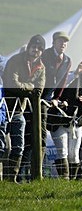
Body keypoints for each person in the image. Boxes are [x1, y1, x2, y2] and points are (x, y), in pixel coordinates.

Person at [48, 58, 82, 179]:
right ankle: (65, 180)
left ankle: (72, 182)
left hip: (76, 122)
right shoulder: (73, 78)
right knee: (63, 152)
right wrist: (76, 73)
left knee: (74, 155)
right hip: (60, 120)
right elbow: (61, 87)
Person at [2, 35, 47, 182]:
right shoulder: (15, 60)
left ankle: (11, 179)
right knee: (2, 146)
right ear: (29, 47)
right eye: (33, 47)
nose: (35, 50)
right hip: (4, 107)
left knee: (18, 146)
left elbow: (39, 90)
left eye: (39, 48)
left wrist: (26, 87)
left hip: (19, 110)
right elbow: (12, 83)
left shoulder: (41, 67)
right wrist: (30, 87)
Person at [41, 31, 72, 103]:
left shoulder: (67, 61)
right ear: (53, 42)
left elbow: (63, 81)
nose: (63, 44)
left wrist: (56, 98)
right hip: (38, 95)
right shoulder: (44, 55)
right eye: (60, 41)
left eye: (65, 42)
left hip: (50, 98)